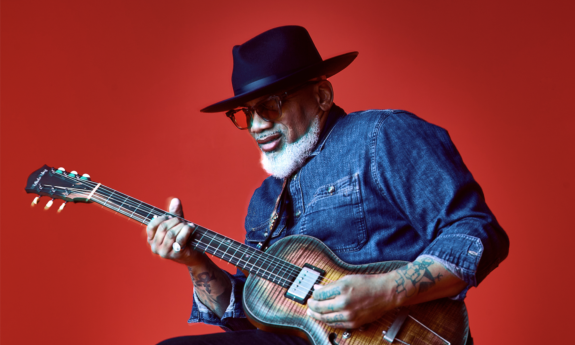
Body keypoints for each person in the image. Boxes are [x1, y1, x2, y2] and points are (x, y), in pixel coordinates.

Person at [147, 26, 509, 345]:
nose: (257, 125)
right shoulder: (264, 202)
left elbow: (476, 232)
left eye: (270, 107)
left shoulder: (381, 136)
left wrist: (384, 292)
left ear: (321, 96)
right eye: (246, 114)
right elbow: (252, 317)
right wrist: (194, 261)